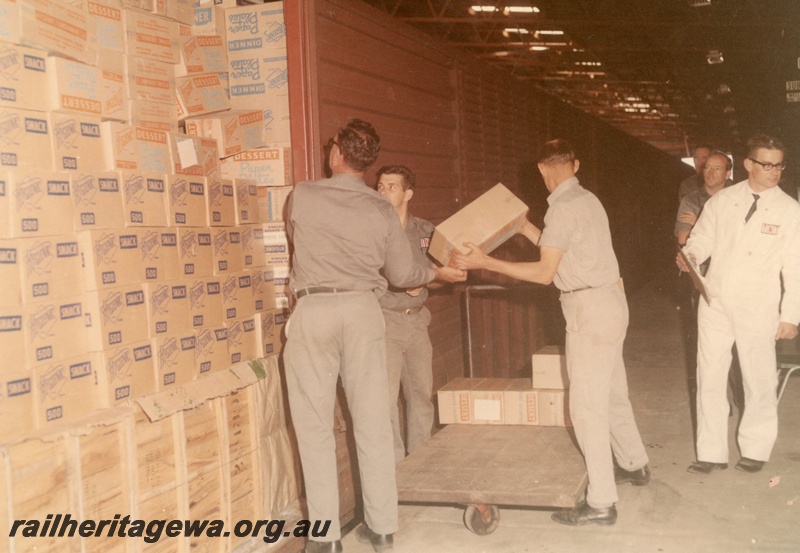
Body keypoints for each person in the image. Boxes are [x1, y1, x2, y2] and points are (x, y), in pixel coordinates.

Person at [283, 119, 465, 553]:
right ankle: (382, 528)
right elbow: (403, 273)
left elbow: (296, 239)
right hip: (364, 313)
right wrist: (435, 271)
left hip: (314, 309)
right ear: (367, 166)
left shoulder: (302, 195)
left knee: (314, 427)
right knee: (373, 423)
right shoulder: (382, 209)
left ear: (335, 154)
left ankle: (325, 540)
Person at [451, 139, 650, 527]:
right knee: (611, 392)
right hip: (611, 302)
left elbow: (545, 273)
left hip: (588, 312)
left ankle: (601, 503)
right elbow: (563, 250)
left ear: (542, 169)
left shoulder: (559, 208)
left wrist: (483, 261)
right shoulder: (588, 200)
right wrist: (526, 227)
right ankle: (635, 464)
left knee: (586, 408)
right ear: (574, 165)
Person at [678, 134, 800, 475]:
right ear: (748, 164)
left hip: (758, 307)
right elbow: (702, 238)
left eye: (779, 165)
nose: (774, 171)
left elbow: (796, 267)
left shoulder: (790, 211)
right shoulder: (723, 201)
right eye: (767, 164)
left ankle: (756, 450)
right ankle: (711, 452)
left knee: (758, 379)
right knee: (710, 376)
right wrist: (691, 254)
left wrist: (791, 315)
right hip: (714, 301)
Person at [375, 165, 438, 463]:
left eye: (392, 186)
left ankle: (421, 464)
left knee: (421, 397)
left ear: (408, 193)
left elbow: (443, 269)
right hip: (385, 321)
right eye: (381, 186)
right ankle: (395, 474)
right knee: (385, 403)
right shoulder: (370, 231)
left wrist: (425, 280)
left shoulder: (425, 231)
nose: (384, 191)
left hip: (417, 321)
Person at [675, 151, 745, 414]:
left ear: (728, 173)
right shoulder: (691, 200)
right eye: (707, 168)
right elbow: (684, 239)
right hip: (704, 282)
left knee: (739, 346)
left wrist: (705, 233)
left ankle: (743, 399)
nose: (711, 173)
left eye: (718, 168)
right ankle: (718, 403)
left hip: (737, 281)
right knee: (709, 347)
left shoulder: (739, 199)